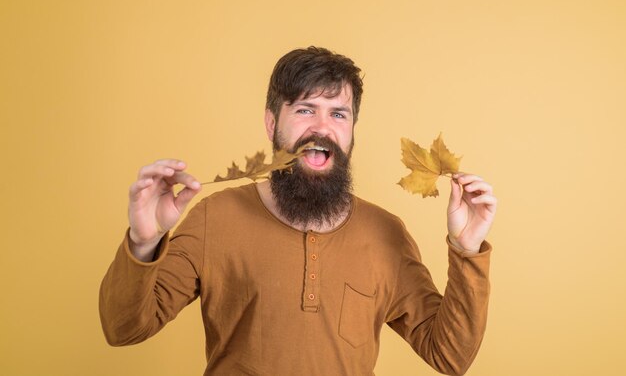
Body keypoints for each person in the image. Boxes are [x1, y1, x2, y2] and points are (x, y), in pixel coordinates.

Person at [99, 46, 497, 376]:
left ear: (352, 130)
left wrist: (467, 250)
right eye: (305, 109)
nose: (322, 127)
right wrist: (143, 242)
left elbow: (450, 356)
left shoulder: (385, 234)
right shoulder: (214, 218)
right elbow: (123, 329)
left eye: (338, 114)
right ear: (273, 123)